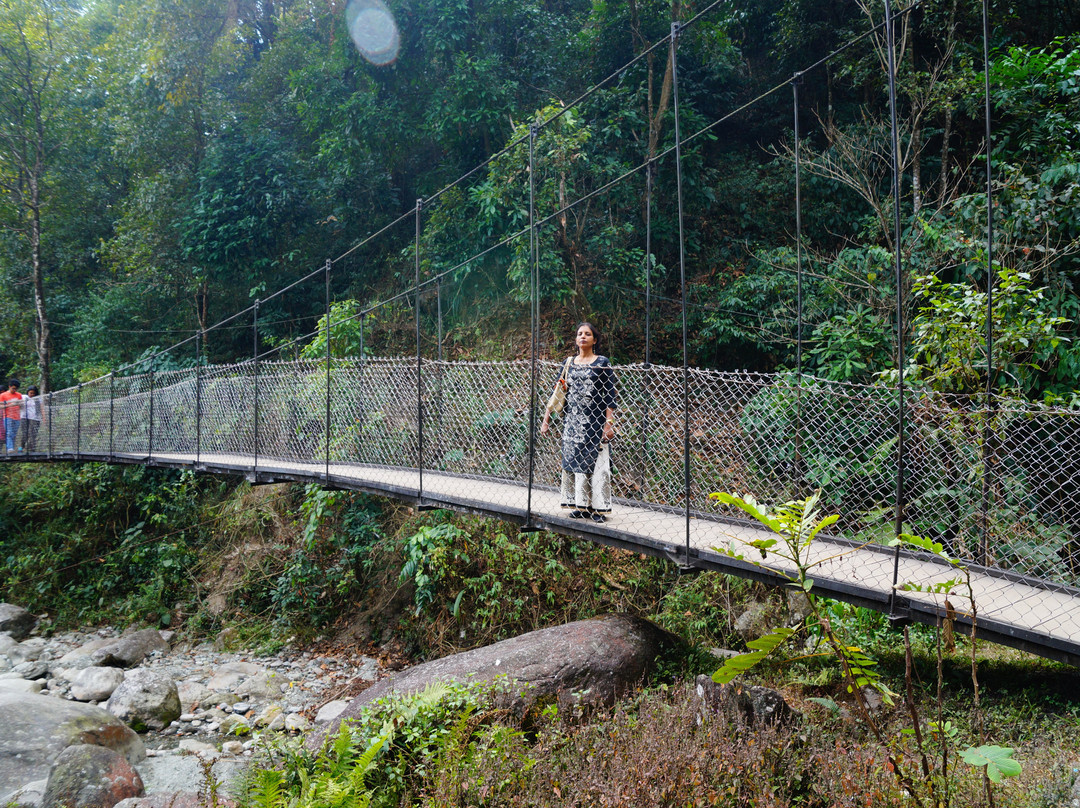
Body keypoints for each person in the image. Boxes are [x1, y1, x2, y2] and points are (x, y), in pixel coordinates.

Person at [540, 322, 617, 523]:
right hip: (571, 423)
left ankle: (599, 509)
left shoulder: (602, 362)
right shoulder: (569, 363)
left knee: (597, 464)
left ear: (595, 339)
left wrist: (608, 424)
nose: (582, 336)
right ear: (576, 339)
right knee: (574, 464)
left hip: (595, 422)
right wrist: (546, 420)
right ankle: (581, 506)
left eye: (587, 334)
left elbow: (610, 395)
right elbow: (557, 392)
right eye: (579, 334)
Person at [1, 379, 23, 454]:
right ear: (9, 386)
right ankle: (10, 448)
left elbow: (21, 405)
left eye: (16, 388)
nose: (14, 390)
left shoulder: (19, 395)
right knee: (9, 432)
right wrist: (10, 405)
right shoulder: (3, 395)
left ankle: (12, 448)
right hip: (7, 416)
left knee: (14, 433)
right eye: (13, 388)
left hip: (17, 417)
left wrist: (19, 403)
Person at [20, 385, 41, 453]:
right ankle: (21, 447)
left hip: (34, 418)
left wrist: (43, 417)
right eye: (30, 393)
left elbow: (41, 408)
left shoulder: (38, 398)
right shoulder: (24, 397)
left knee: (33, 434)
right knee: (24, 433)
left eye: (33, 393)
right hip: (24, 417)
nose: (32, 394)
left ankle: (32, 449)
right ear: (27, 392)